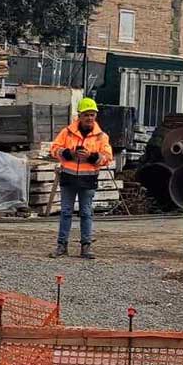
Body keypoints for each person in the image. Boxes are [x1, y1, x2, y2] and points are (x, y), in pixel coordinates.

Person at [49, 97, 114, 259]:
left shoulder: (101, 137)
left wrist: (91, 156)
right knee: (65, 212)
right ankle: (62, 245)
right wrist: (69, 153)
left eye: (92, 115)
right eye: (87, 115)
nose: (90, 118)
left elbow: (107, 157)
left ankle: (86, 247)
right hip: (69, 179)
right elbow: (54, 149)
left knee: (86, 213)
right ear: (80, 115)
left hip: (88, 180)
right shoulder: (67, 132)